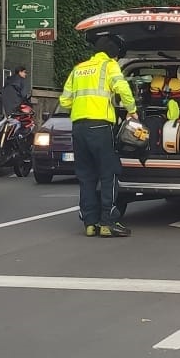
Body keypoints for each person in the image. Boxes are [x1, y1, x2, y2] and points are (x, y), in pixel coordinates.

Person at [59, 35, 138, 237]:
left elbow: (65, 101)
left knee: (86, 176)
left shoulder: (79, 69)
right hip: (100, 127)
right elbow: (123, 89)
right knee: (108, 173)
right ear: (113, 54)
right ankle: (108, 222)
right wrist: (132, 110)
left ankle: (90, 223)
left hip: (78, 127)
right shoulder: (109, 66)